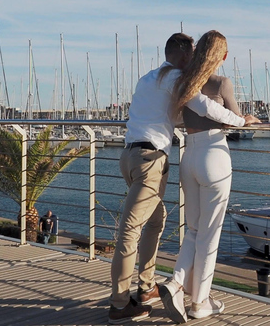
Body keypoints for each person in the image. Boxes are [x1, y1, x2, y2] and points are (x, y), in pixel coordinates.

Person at [108, 32, 258, 325]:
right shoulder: (178, 78)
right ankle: (121, 303)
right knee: (132, 229)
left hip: (130, 155)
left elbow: (172, 116)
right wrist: (242, 121)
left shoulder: (148, 78)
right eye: (191, 53)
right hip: (154, 159)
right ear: (186, 55)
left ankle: (149, 286)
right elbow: (204, 106)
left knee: (158, 219)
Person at [160, 31, 259, 323]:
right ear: (223, 57)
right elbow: (236, 118)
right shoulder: (221, 83)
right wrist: (246, 120)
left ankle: (176, 282)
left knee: (193, 230)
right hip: (214, 155)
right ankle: (200, 302)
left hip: (188, 155)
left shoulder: (184, 82)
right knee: (210, 234)